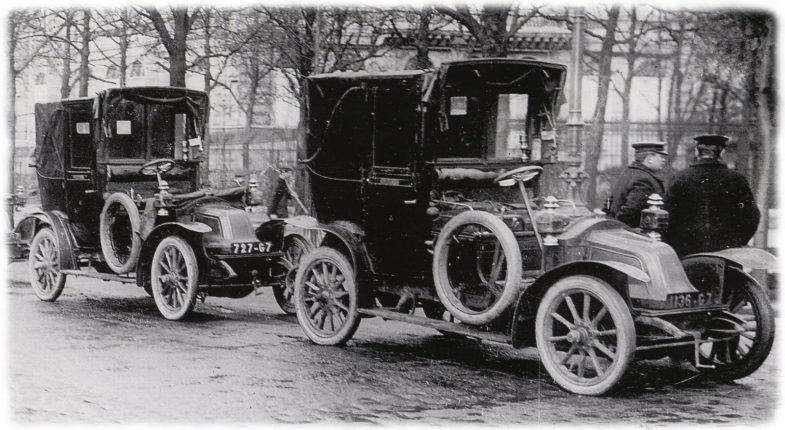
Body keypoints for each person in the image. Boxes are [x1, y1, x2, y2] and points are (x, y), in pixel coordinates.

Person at [663, 134, 759, 257]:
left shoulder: (680, 178)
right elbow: (751, 216)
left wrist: (673, 243)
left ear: (697, 152)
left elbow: (668, 216)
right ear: (722, 153)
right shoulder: (737, 180)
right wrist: (738, 242)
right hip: (727, 252)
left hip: (686, 253)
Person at [610, 141, 669, 227]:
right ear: (650, 159)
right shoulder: (644, 179)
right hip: (635, 235)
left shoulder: (628, 173)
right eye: (660, 156)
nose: (664, 160)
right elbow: (629, 212)